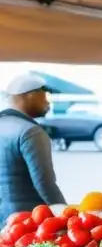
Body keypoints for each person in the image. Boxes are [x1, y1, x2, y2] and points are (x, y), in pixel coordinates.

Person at [0, 74, 65, 218]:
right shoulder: (30, 131)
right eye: (45, 95)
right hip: (27, 224)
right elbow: (45, 184)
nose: (48, 102)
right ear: (30, 95)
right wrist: (66, 215)